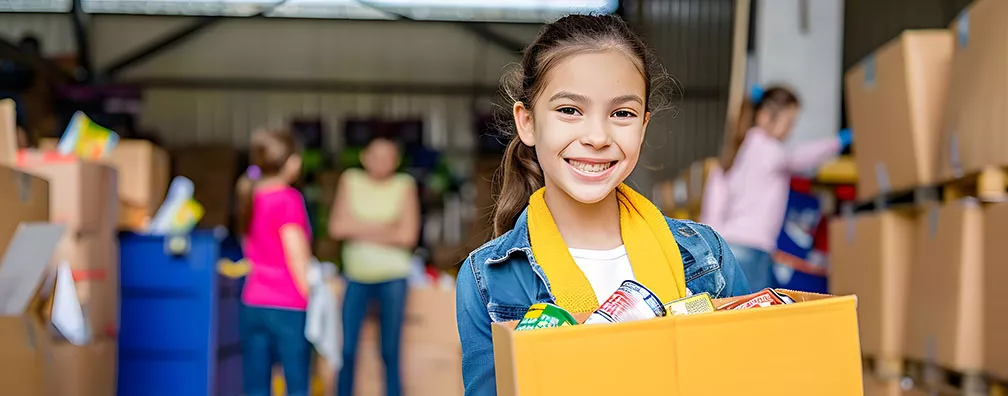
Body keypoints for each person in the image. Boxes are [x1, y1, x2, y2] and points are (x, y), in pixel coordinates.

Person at [455, 14, 751, 396]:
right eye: (569, 110)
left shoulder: (707, 254)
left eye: (622, 114)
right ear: (527, 123)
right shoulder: (487, 279)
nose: (597, 137)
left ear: (643, 127)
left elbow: (752, 372)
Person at [700, 86, 853, 291]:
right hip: (752, 248)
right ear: (764, 117)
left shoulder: (735, 151)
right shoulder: (767, 149)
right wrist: (836, 142)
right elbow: (799, 158)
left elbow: (712, 208)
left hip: (727, 246)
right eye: (788, 122)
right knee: (756, 317)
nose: (791, 129)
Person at [329, 136, 420, 396]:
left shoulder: (405, 184)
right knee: (346, 349)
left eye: (388, 156)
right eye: (376, 155)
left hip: (394, 277)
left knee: (390, 350)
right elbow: (337, 227)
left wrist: (358, 227)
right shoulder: (350, 179)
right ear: (364, 158)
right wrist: (386, 227)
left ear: (397, 161)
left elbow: (408, 236)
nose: (381, 162)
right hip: (355, 277)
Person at [236, 129, 313, 396]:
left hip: (253, 300)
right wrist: (312, 295)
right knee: (297, 383)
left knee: (256, 384)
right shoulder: (288, 199)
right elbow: (296, 255)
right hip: (287, 304)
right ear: (291, 162)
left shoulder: (249, 194)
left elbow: (249, 248)